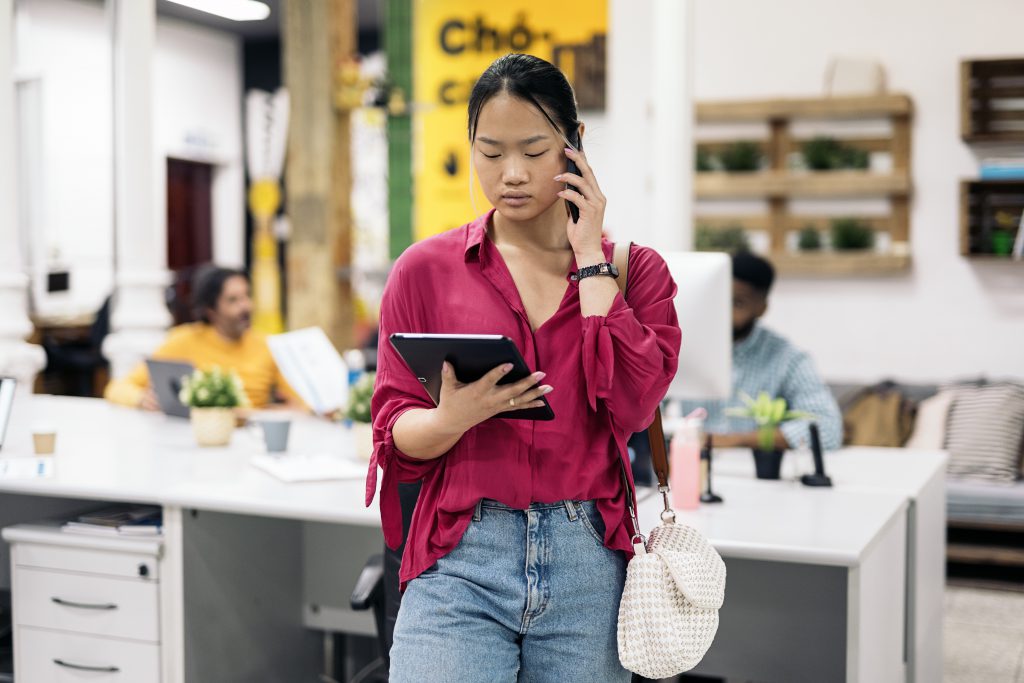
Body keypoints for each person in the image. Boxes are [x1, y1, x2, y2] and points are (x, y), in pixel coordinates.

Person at [367, 53, 681, 681]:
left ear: (575, 145)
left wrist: (590, 260)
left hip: (587, 559)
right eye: (490, 152)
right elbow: (394, 435)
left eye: (535, 151)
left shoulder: (634, 272)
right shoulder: (424, 270)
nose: (510, 174)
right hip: (461, 556)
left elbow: (635, 407)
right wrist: (453, 418)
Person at [683, 251, 842, 451]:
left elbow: (828, 429)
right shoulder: (682, 346)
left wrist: (734, 441)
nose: (723, 310)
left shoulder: (788, 359)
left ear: (762, 308)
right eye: (719, 298)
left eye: (737, 303)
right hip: (686, 468)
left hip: (755, 474)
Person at [104, 266, 301, 411]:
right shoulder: (183, 340)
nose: (246, 307)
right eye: (233, 300)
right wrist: (140, 398)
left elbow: (300, 402)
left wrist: (269, 413)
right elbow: (117, 388)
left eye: (247, 296)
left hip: (251, 438)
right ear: (210, 310)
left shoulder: (267, 344)